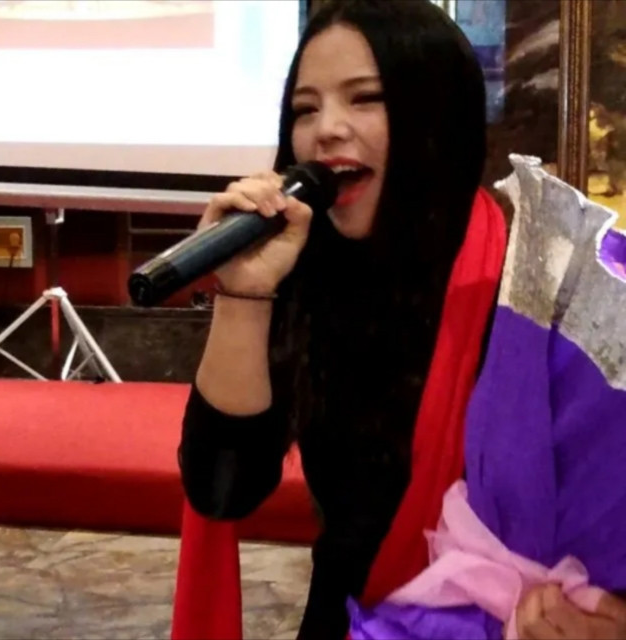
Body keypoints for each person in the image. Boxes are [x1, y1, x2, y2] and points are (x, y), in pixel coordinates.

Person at [177, 1, 626, 639]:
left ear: (437, 113)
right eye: (305, 109)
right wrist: (243, 295)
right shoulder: (307, 270)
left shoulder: (538, 281)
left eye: (365, 98)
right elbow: (223, 490)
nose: (326, 130)